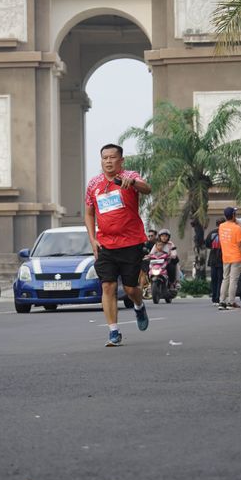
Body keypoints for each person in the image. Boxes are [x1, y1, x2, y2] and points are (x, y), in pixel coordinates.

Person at [85, 143, 151, 347]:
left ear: (121, 160)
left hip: (131, 243)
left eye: (112, 157)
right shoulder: (93, 184)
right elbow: (89, 213)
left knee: (130, 289)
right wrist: (93, 239)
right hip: (106, 244)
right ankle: (114, 331)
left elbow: (147, 188)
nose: (108, 161)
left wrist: (133, 183)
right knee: (108, 286)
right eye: (105, 158)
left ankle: (139, 306)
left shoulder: (129, 176)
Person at [218, 207, 241, 310]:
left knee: (225, 279)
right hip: (236, 257)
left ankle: (222, 302)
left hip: (225, 257)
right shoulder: (237, 228)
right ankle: (231, 302)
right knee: (233, 280)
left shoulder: (221, 226)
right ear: (233, 215)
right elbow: (240, 246)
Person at [205, 219, 224, 305]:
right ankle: (217, 297)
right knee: (219, 279)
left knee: (214, 279)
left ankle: (215, 298)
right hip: (221, 259)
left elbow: (207, 244)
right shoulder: (225, 233)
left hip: (213, 259)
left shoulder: (212, 233)